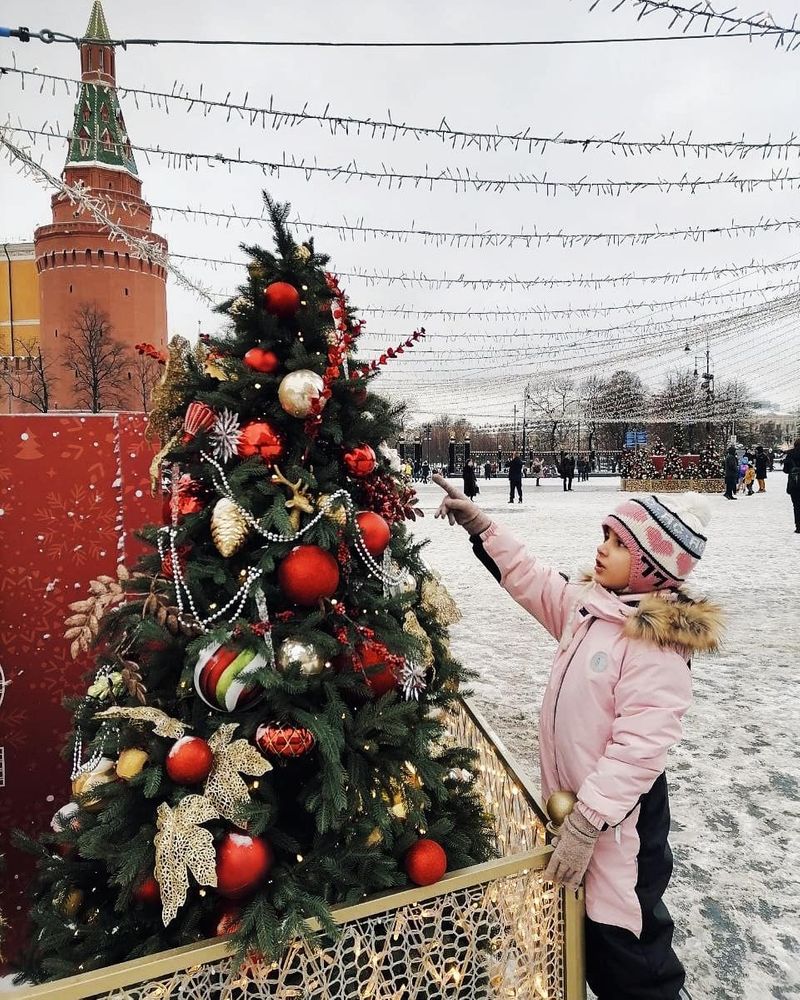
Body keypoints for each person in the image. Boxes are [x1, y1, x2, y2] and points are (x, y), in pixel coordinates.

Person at [433, 474, 720, 1000]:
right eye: (604, 536)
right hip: (581, 812)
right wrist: (482, 526)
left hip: (621, 821)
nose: (601, 547)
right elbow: (532, 578)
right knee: (586, 935)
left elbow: (640, 749)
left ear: (650, 570)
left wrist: (589, 820)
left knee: (627, 944)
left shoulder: (655, 648)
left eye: (616, 543)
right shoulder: (590, 608)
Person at [783, 438, 800, 533]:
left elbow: (785, 470)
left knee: (796, 506)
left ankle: (798, 526)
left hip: (794, 483)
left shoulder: (790, 454)